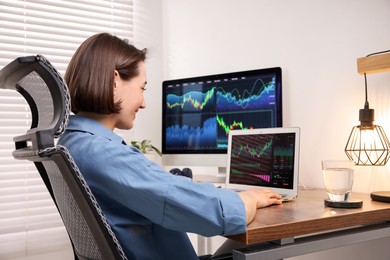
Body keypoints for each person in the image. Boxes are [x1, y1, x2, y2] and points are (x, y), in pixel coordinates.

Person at [59, 32, 282, 260]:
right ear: (115, 81)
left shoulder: (72, 143)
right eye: (142, 88)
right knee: (272, 248)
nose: (144, 103)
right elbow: (216, 214)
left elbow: (164, 193)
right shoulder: (103, 152)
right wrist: (250, 198)